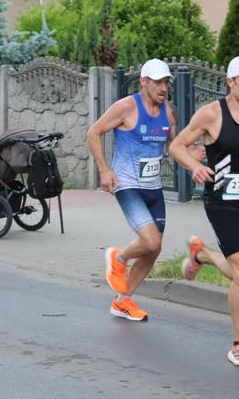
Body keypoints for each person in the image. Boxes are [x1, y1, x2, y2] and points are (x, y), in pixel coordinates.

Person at [169, 55, 239, 369]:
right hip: (220, 203)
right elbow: (176, 146)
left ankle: (201, 256)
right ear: (230, 83)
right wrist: (195, 166)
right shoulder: (211, 114)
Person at [87, 58, 204, 321]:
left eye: (166, 82)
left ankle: (122, 301)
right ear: (144, 81)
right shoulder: (126, 107)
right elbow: (93, 133)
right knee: (150, 241)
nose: (163, 88)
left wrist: (191, 153)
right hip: (127, 185)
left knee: (154, 248)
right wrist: (104, 170)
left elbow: (173, 147)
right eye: (158, 82)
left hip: (153, 188)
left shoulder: (167, 111)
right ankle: (118, 257)